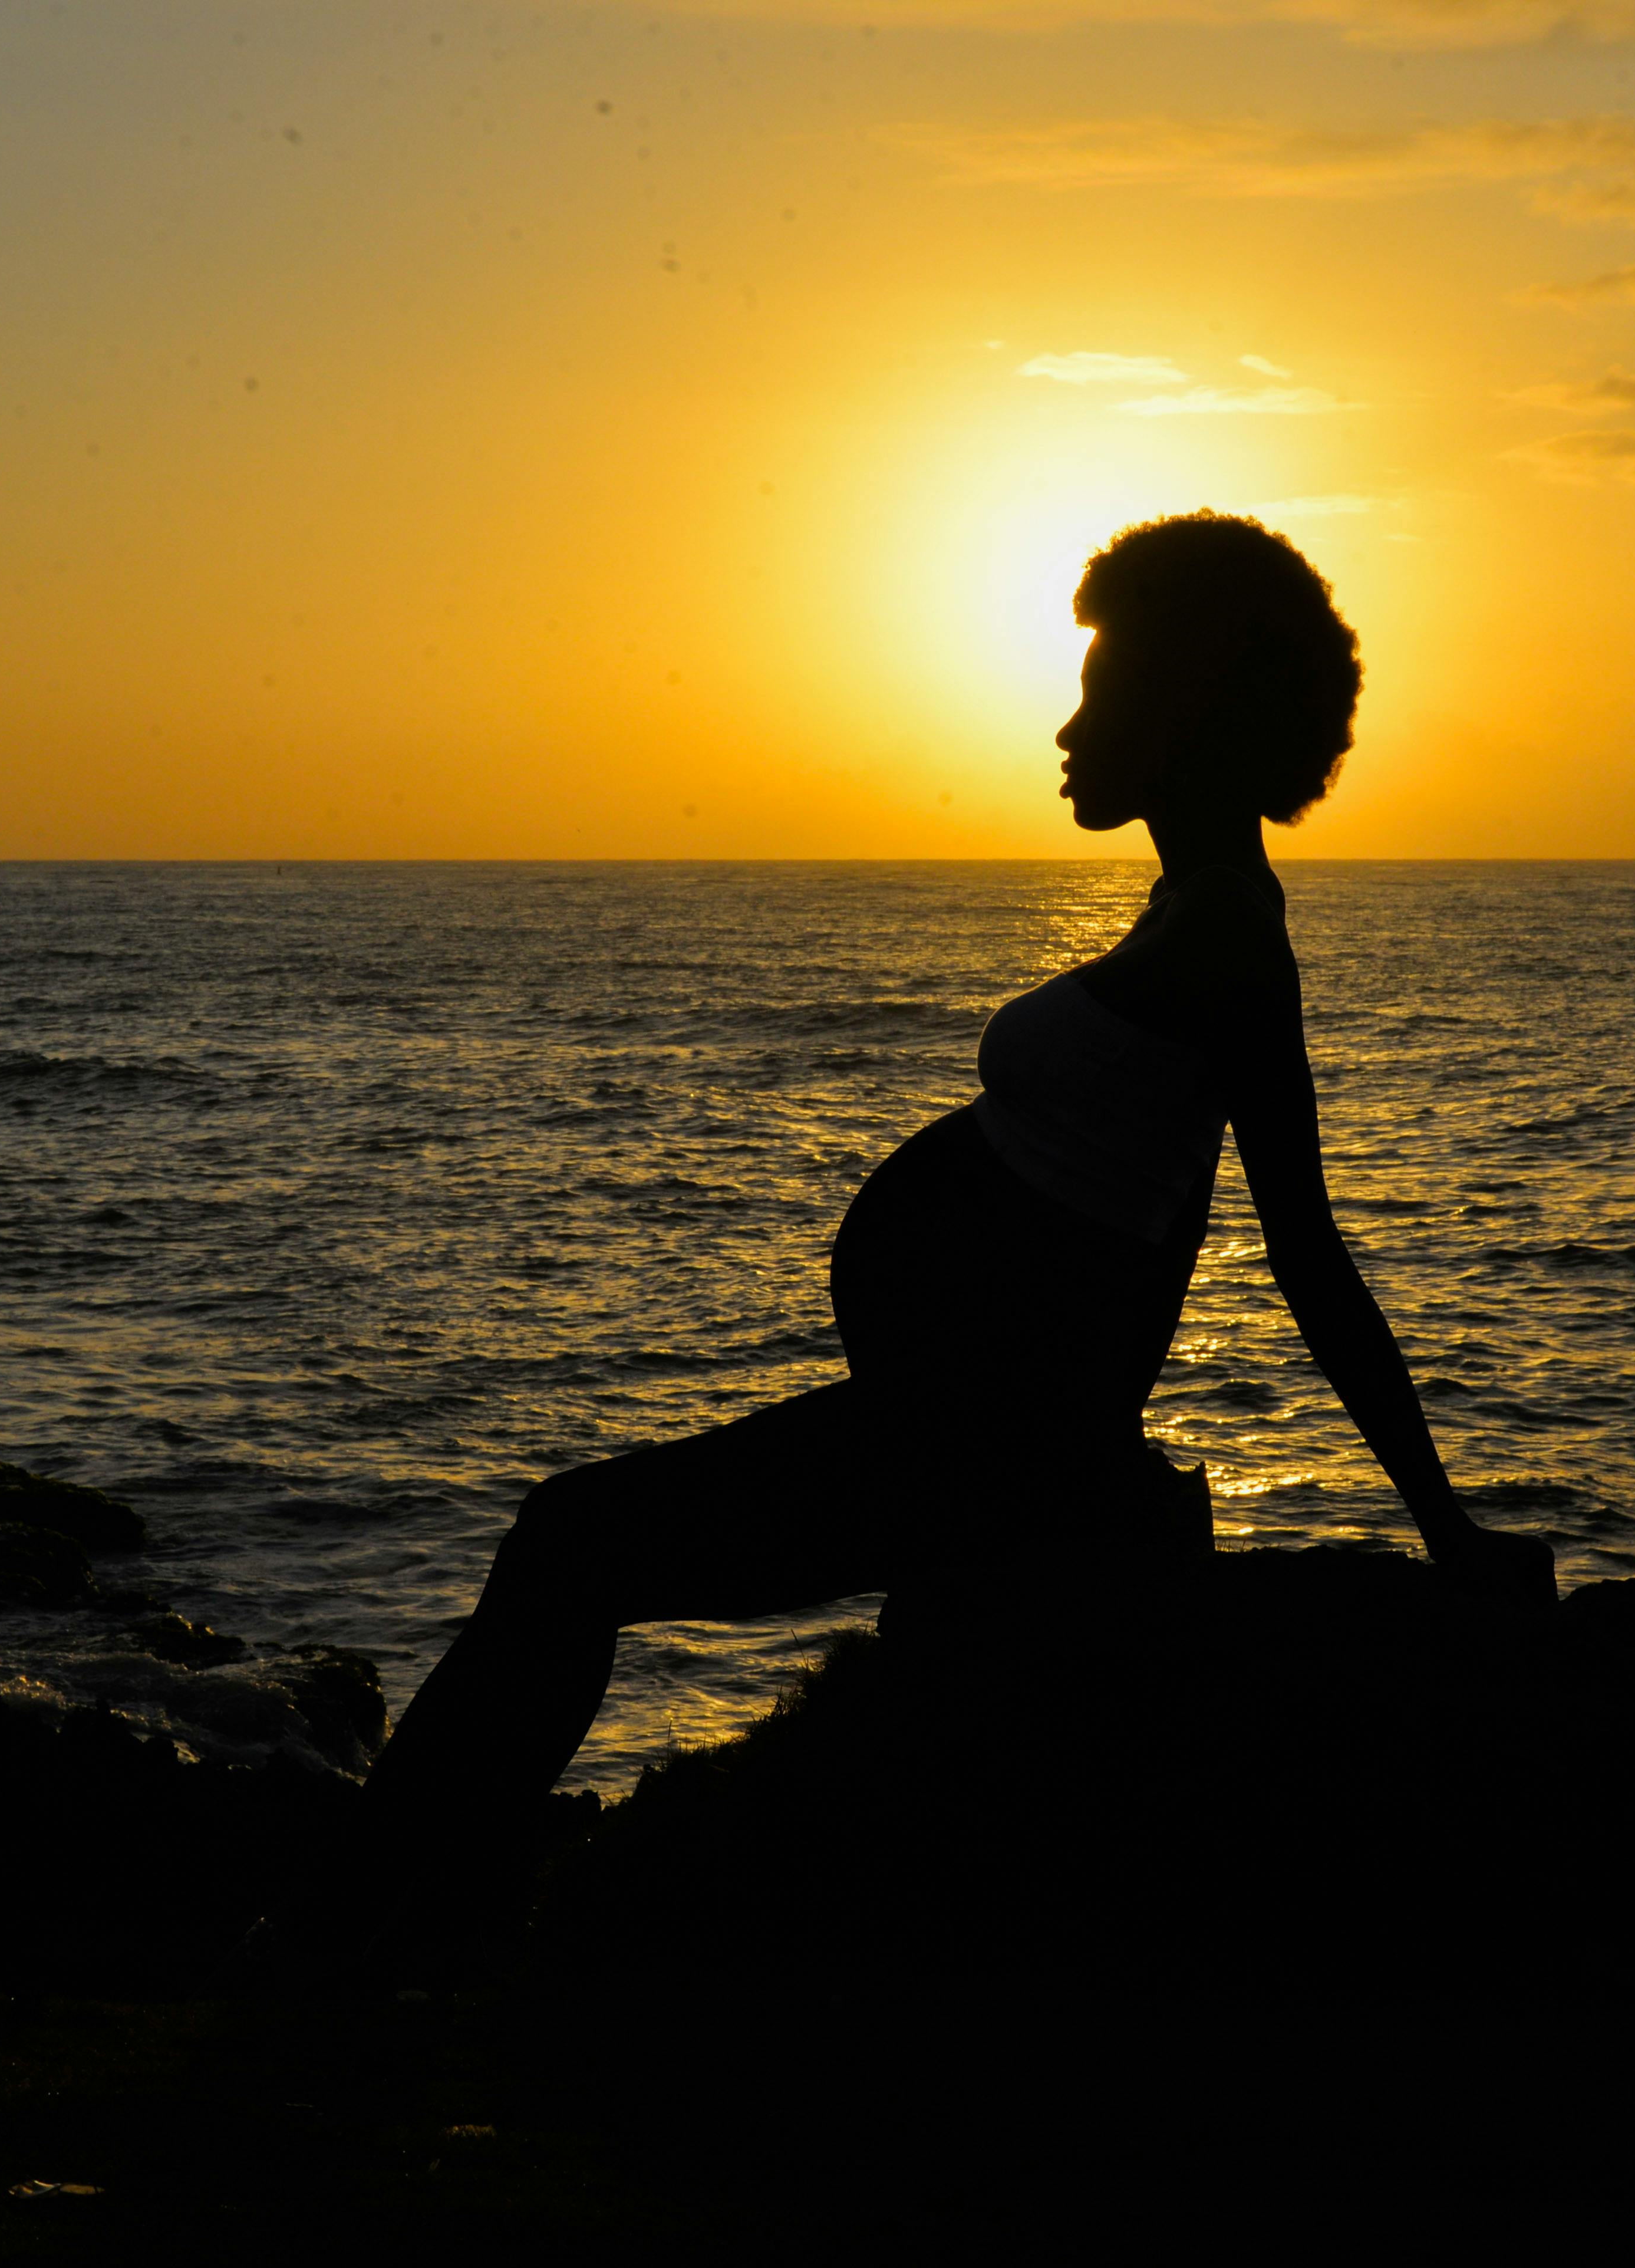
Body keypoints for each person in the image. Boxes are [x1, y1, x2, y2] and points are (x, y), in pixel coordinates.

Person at [323, 511, 1551, 1964]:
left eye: (1102, 692)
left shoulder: (1226, 930)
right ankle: (386, 1930)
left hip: (983, 1446)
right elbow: (1192, 1217)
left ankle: (355, 1941)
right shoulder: (1194, 910)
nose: (1066, 726)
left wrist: (1442, 1527)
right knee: (570, 1541)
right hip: (964, 1428)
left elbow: (1297, 1251)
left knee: (570, 1540)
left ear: (1193, 705)